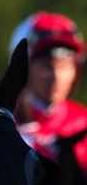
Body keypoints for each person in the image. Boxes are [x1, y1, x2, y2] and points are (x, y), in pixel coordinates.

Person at [9, 11, 87, 173]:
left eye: (65, 66)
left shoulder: (83, 123)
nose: (56, 76)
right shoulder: (6, 126)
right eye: (46, 66)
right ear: (23, 68)